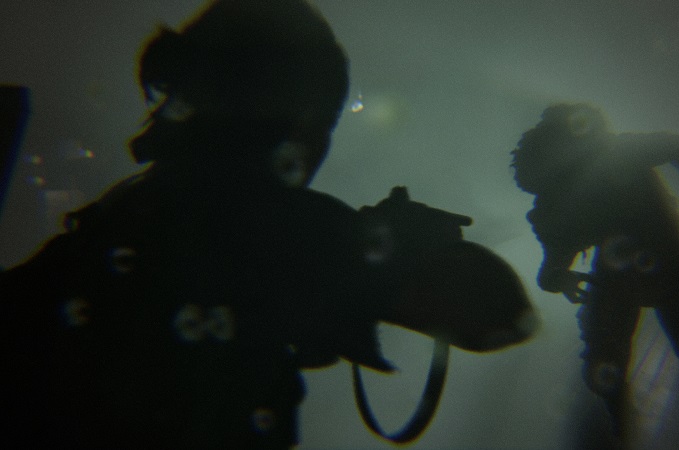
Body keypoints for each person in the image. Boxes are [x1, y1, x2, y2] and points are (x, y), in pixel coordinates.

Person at [1, 1, 535, 448]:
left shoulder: (135, 215)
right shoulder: (265, 224)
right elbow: (491, 315)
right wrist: (411, 262)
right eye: (324, 119)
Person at [510, 103, 679, 437]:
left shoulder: (600, 168)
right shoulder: (587, 179)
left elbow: (551, 268)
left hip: (656, 265)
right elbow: (552, 267)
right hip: (651, 267)